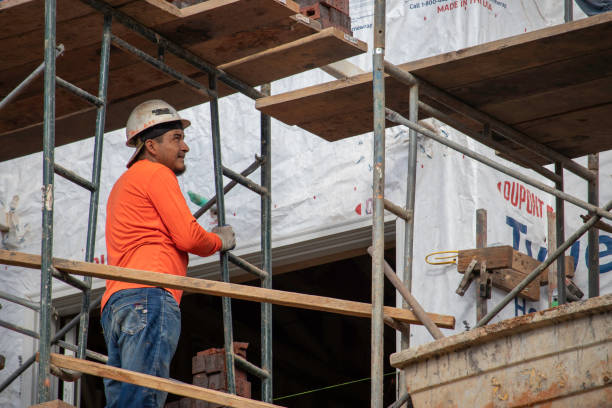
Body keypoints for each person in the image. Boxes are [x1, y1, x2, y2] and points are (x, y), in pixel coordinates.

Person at [101, 100, 235, 407]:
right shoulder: (155, 173)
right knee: (144, 396)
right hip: (149, 294)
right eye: (176, 138)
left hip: (117, 303)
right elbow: (188, 237)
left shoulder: (123, 185)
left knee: (125, 399)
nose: (184, 147)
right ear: (151, 145)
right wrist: (218, 240)